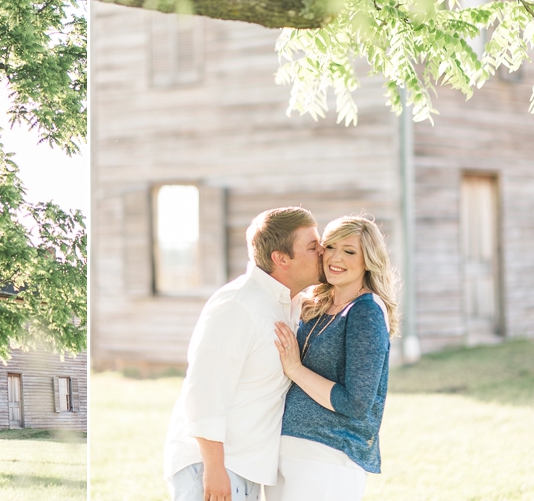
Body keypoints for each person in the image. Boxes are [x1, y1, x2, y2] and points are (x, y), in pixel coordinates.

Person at [163, 207, 324, 501]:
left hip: (246, 469)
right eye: (313, 246)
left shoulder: (287, 305)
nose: (323, 252)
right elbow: (204, 391)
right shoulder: (238, 304)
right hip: (214, 466)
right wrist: (214, 468)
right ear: (281, 258)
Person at [270, 215, 400, 501]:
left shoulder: (365, 312)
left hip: (329, 458)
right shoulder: (317, 305)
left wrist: (295, 368)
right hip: (286, 453)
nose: (335, 257)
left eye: (349, 251)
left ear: (368, 260)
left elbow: (356, 403)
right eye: (330, 247)